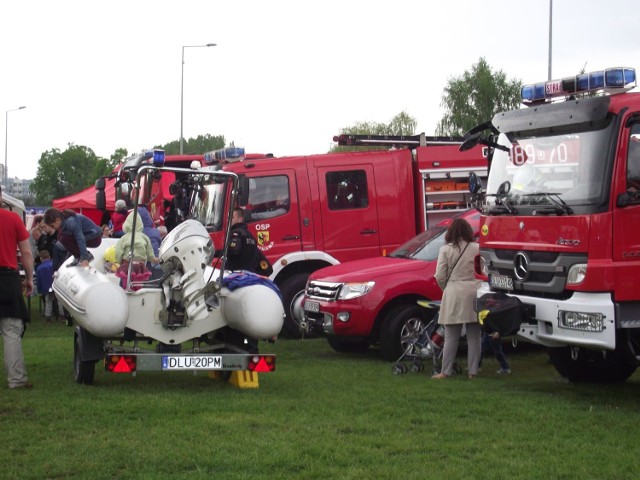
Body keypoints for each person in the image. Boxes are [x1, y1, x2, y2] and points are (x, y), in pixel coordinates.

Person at [431, 218, 481, 380]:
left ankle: (446, 371)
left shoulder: (445, 250)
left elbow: (439, 275)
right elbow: (483, 271)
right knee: (474, 336)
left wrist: (447, 287)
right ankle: (473, 372)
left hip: (453, 291)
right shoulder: (477, 248)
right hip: (474, 291)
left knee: (451, 336)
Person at [0, 184, 34, 389]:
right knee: (11, 331)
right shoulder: (12, 219)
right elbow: (26, 253)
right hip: (7, 278)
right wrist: (29, 279)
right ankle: (16, 379)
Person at [114, 211, 158, 290]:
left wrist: (120, 261)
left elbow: (118, 253)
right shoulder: (145, 237)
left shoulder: (124, 238)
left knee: (123, 288)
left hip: (126, 265)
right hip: (140, 268)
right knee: (138, 289)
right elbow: (150, 255)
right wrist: (155, 259)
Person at [226, 207, 272, 276]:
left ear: (240, 219)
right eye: (228, 218)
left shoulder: (236, 233)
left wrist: (220, 252)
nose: (229, 220)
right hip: (248, 275)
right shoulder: (251, 236)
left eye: (232, 218)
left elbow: (233, 250)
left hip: (236, 275)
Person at [35, 250, 64, 323]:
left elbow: (38, 281)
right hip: (56, 286)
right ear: (50, 257)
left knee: (48, 302)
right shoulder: (55, 265)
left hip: (47, 288)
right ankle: (62, 316)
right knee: (60, 301)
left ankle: (48, 317)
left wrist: (39, 290)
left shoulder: (39, 268)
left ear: (40, 258)